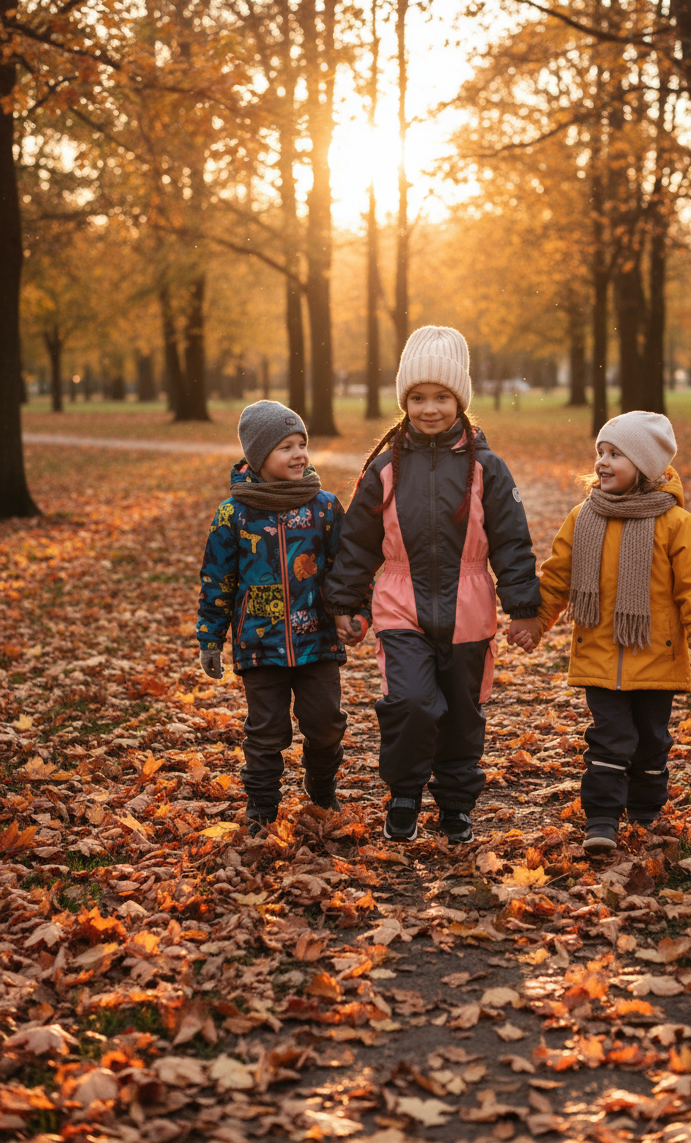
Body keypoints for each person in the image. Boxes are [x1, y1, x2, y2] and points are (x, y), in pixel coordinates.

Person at [323, 326, 541, 845]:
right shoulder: (385, 469)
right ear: (404, 402)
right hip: (402, 609)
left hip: (469, 611)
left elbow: (512, 542)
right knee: (413, 703)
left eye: (441, 396)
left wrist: (524, 607)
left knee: (462, 715)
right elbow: (358, 541)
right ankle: (403, 792)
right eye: (417, 397)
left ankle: (456, 803)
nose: (429, 408)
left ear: (460, 400)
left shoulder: (487, 468)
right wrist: (347, 601)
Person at [511, 411, 691, 853]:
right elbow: (557, 579)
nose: (603, 462)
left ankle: (645, 813)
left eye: (616, 454)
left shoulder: (676, 524)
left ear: (645, 466)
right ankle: (602, 820)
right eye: (600, 453)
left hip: (656, 656)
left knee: (651, 743)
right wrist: (535, 621)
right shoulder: (583, 518)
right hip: (600, 655)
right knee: (609, 738)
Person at [195, 400, 370, 835]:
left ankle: (322, 784)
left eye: (302, 444)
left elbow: (348, 569)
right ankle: (261, 806)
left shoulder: (324, 508)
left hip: (318, 643)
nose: (298, 454)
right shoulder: (233, 515)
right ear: (258, 457)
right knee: (266, 731)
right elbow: (218, 580)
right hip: (260, 645)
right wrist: (210, 639)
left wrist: (354, 613)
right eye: (284, 447)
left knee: (326, 723)